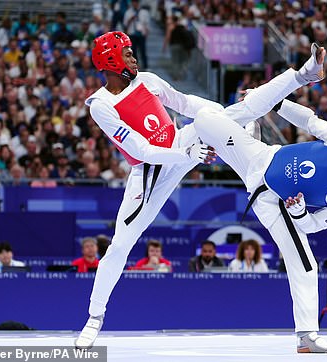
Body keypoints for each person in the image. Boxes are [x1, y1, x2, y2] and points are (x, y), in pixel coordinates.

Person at [191, 44, 327, 353]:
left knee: (306, 264)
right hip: (258, 156)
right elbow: (311, 122)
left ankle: (307, 337)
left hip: (273, 203)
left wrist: (299, 211)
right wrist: (275, 103)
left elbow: (312, 226)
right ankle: (186, 146)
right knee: (206, 117)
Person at [75, 31, 223, 349]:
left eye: (132, 52)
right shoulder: (101, 105)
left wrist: (218, 112)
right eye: (127, 54)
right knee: (119, 247)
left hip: (179, 144)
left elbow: (184, 103)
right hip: (150, 173)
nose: (134, 58)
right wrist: (185, 157)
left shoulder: (149, 80)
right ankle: (94, 318)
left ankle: (295, 81)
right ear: (111, 61)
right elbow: (142, 151)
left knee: (218, 116)